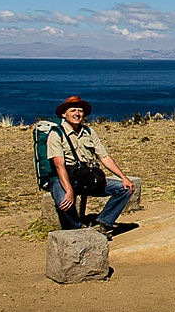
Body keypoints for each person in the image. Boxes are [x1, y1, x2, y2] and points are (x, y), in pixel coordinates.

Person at [47, 96, 134, 239]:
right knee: (64, 200)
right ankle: (75, 231)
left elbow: (104, 157)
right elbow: (59, 165)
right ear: (64, 114)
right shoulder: (56, 134)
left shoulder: (89, 132)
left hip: (86, 177)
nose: (77, 114)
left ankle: (103, 224)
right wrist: (68, 190)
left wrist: (124, 178)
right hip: (65, 177)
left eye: (80, 111)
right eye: (73, 110)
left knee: (124, 189)